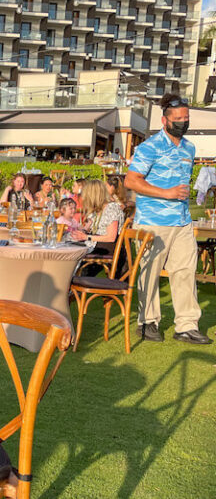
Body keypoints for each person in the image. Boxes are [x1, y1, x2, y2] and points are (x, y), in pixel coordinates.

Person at [125, 94, 210, 344]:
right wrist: (166, 193)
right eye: (178, 119)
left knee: (184, 272)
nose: (183, 122)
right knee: (149, 272)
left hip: (182, 221)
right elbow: (131, 181)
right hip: (153, 220)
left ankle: (186, 326)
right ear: (165, 121)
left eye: (186, 118)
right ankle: (148, 323)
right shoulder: (149, 147)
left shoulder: (189, 148)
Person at [68, 180, 124, 252]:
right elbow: (88, 229)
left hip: (106, 248)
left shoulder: (112, 208)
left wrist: (86, 237)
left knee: (72, 253)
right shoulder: (97, 209)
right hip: (96, 244)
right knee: (68, 245)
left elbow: (111, 237)